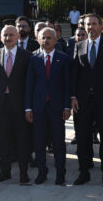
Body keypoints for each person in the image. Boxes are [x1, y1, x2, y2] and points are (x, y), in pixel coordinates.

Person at [71, 14, 103, 186]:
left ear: (101, 27)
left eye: (93, 24)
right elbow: (74, 74)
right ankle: (83, 172)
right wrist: (73, 97)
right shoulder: (78, 46)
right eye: (87, 24)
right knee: (83, 138)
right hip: (83, 102)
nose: (90, 27)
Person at [24, 27, 72, 185]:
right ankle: (42, 172)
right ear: (38, 39)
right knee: (39, 141)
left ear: (56, 40)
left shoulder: (63, 58)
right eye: (43, 38)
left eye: (49, 38)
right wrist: (28, 108)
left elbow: (67, 85)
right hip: (38, 107)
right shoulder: (33, 58)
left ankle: (60, 173)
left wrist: (67, 107)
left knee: (58, 142)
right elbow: (29, 85)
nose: (46, 41)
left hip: (57, 107)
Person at [0, 26, 32, 183]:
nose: (8, 38)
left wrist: (28, 106)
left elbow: (29, 83)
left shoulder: (27, 56)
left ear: (18, 36)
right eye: (5, 35)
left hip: (19, 105)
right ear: (0, 37)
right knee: (2, 139)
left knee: (21, 139)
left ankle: (23, 173)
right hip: (0, 105)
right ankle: (4, 172)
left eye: (11, 35)